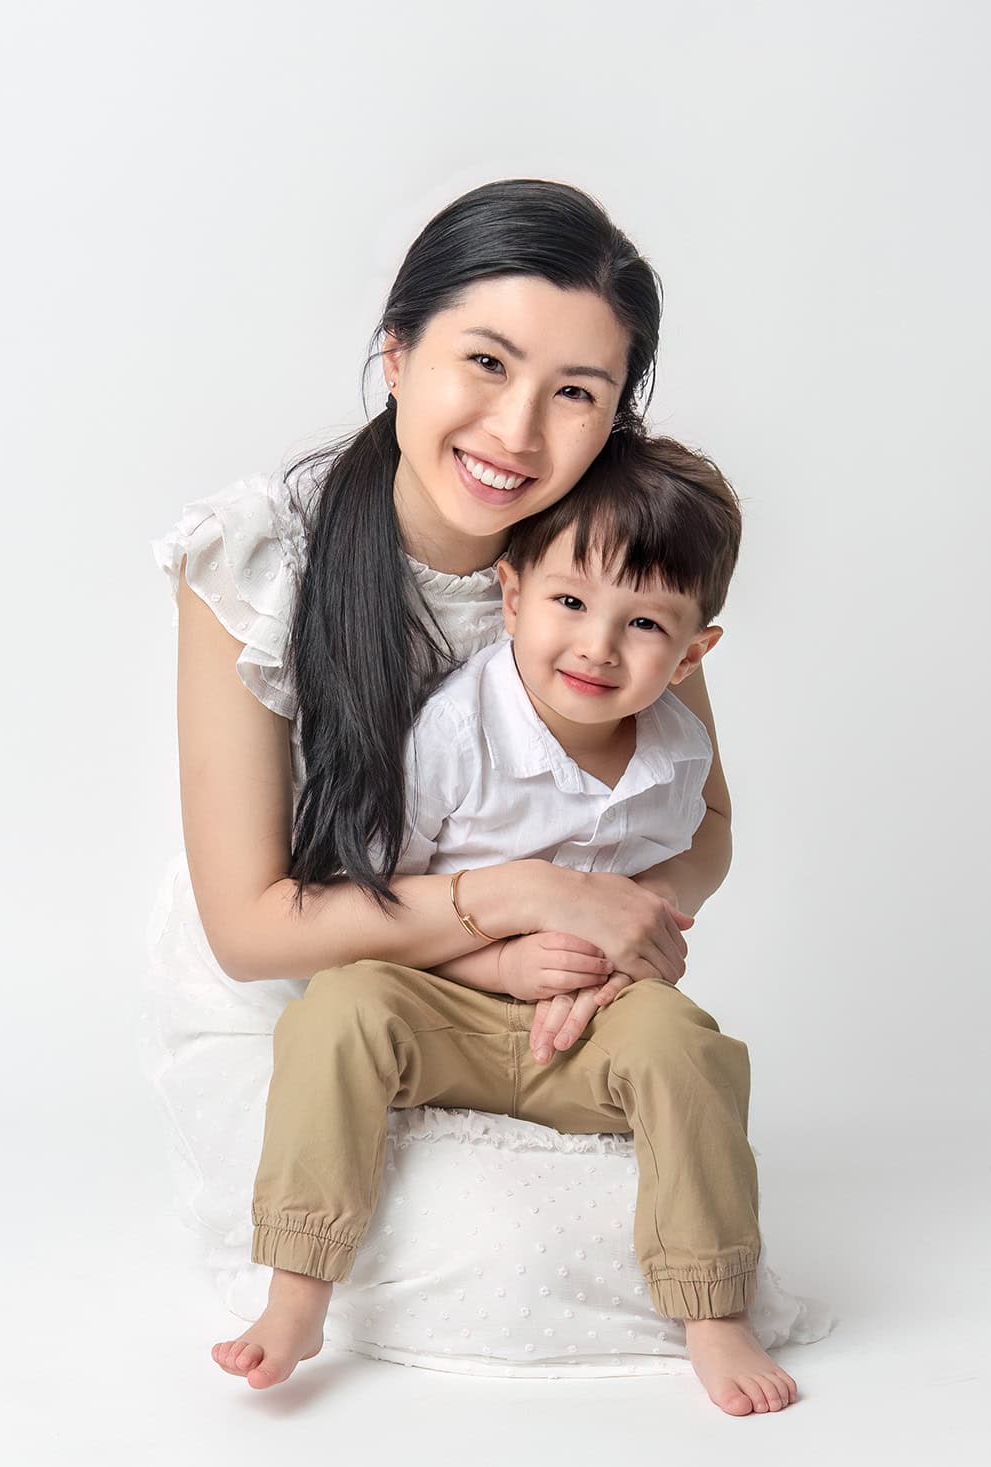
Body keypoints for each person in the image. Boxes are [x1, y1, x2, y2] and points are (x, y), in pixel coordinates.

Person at [153, 180, 785, 1413]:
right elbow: (249, 930)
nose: (517, 430)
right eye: (484, 362)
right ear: (396, 352)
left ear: (615, 417)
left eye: (576, 393)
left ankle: (707, 1302)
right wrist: (531, 901)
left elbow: (697, 822)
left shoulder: (605, 554)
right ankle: (296, 1298)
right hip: (316, 979)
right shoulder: (263, 556)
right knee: (494, 1256)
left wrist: (613, 944)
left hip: (555, 995)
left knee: (621, 1214)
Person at [224, 434, 799, 1416]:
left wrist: (623, 964)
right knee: (339, 1010)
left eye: (643, 624)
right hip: (443, 999)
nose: (597, 646)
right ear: (512, 596)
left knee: (687, 1047)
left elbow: (684, 861)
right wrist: (497, 967)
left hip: (585, 1019)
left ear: (692, 653)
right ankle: (297, 1288)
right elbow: (375, 901)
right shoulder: (457, 732)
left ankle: (712, 1305)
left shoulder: (673, 750)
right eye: (570, 602)